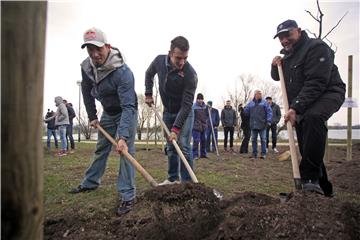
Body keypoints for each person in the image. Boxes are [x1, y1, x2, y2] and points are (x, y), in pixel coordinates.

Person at [271, 20, 345, 195]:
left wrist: (295, 107)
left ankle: (309, 180)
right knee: (307, 144)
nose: (284, 40)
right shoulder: (287, 57)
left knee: (313, 118)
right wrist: (275, 65)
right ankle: (324, 189)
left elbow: (316, 82)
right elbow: (277, 77)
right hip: (305, 100)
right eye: (281, 37)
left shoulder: (316, 47)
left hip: (327, 92)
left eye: (287, 35)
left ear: (299, 31)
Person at [69, 27, 138, 216]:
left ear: (107, 46)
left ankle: (128, 195)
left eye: (98, 48)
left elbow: (128, 107)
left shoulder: (123, 72)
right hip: (108, 113)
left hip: (126, 111)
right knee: (101, 148)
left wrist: (122, 136)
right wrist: (92, 116)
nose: (94, 54)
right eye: (90, 49)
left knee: (125, 152)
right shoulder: (87, 67)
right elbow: (86, 91)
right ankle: (90, 183)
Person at [145, 36, 197, 185]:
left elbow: (187, 105)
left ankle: (188, 185)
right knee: (171, 147)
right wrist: (148, 93)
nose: (182, 62)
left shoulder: (190, 75)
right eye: (178, 58)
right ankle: (173, 179)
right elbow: (149, 74)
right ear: (170, 53)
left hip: (184, 113)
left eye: (185, 58)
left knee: (184, 146)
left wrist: (175, 128)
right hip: (168, 111)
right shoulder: (159, 61)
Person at [244, 90, 272, 159]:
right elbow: (246, 113)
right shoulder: (251, 103)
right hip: (253, 125)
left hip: (262, 125)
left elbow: (269, 112)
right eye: (259, 94)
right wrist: (243, 109)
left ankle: (263, 154)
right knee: (253, 139)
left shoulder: (264, 103)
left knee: (263, 139)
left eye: (260, 94)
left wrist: (268, 121)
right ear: (255, 95)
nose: (260, 95)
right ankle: (254, 154)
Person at [192, 93, 208, 159]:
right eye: (198, 99)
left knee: (204, 140)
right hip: (196, 126)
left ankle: (203, 154)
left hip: (203, 126)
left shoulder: (205, 107)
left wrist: (208, 110)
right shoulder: (193, 107)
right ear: (196, 99)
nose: (200, 100)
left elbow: (207, 116)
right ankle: (195, 154)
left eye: (201, 99)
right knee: (196, 141)